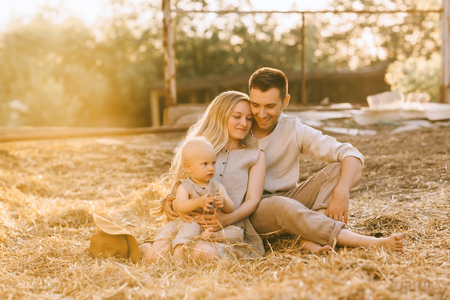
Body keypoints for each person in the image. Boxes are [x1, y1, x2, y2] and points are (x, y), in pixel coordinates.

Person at [168, 68, 403, 254]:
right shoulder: (239, 128)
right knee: (281, 206)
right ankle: (361, 241)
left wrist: (342, 191)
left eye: (270, 106)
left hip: (290, 197)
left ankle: (311, 235)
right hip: (254, 208)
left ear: (285, 101)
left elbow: (352, 154)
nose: (260, 114)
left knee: (337, 170)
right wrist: (173, 203)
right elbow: (190, 177)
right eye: (255, 105)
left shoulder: (294, 129)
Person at [142, 91, 267, 263]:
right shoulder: (200, 151)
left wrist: (227, 218)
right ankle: (146, 248)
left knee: (202, 253)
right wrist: (170, 204)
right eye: (237, 116)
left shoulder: (255, 155)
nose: (244, 123)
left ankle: (183, 252)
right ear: (221, 116)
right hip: (188, 226)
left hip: (226, 229)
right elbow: (179, 188)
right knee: (156, 257)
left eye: (249, 118)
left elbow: (253, 200)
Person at [151, 137, 244, 263]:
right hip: (189, 222)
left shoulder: (217, 186)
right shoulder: (185, 186)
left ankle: (208, 237)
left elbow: (231, 207)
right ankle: (179, 250)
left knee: (238, 233)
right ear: (189, 168)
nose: (211, 168)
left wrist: (224, 202)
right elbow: (180, 206)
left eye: (213, 163)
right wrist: (198, 202)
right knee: (191, 227)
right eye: (205, 164)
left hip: (211, 226)